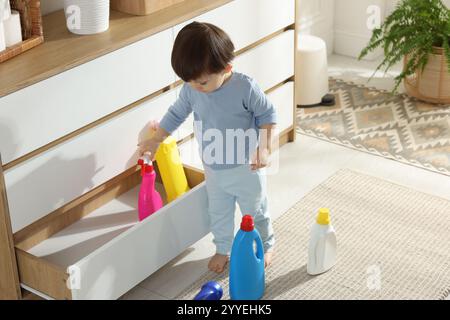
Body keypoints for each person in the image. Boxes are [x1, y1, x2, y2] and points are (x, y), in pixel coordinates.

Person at [138, 21, 277, 273]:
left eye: (201, 82)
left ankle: (265, 244)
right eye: (189, 82)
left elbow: (268, 115)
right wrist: (156, 139)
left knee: (255, 212)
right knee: (219, 213)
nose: (195, 87)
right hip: (214, 169)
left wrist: (265, 149)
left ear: (226, 68)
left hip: (247, 169)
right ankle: (223, 248)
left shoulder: (245, 88)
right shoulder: (192, 89)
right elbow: (177, 112)